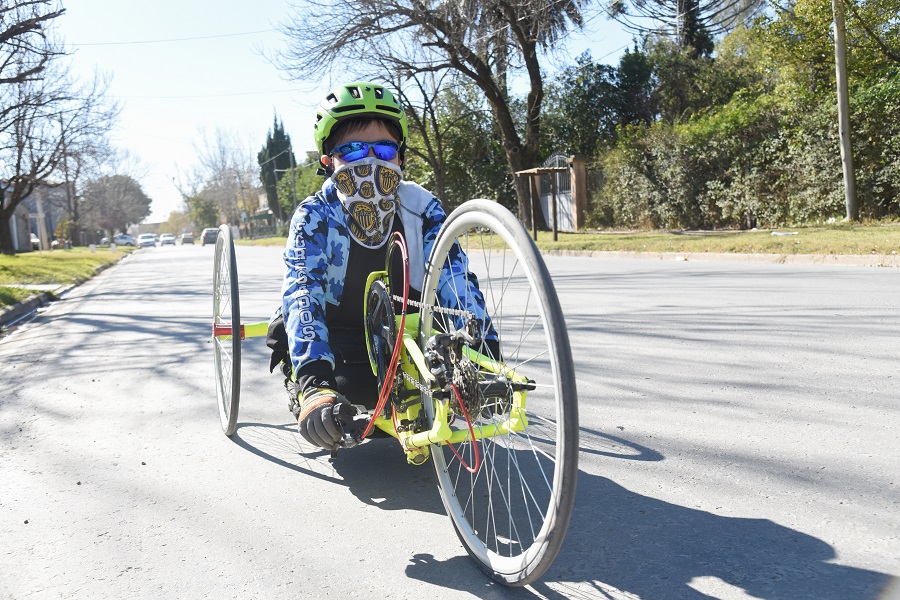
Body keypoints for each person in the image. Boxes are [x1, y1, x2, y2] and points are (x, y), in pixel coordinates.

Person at [267, 81, 497, 453]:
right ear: (328, 160)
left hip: (406, 331)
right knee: (346, 406)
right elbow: (302, 293)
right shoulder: (313, 216)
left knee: (441, 390)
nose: (370, 161)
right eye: (353, 149)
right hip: (336, 334)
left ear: (400, 158)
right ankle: (307, 386)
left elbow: (457, 281)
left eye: (385, 148)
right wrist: (314, 385)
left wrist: (485, 356)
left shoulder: (423, 208)